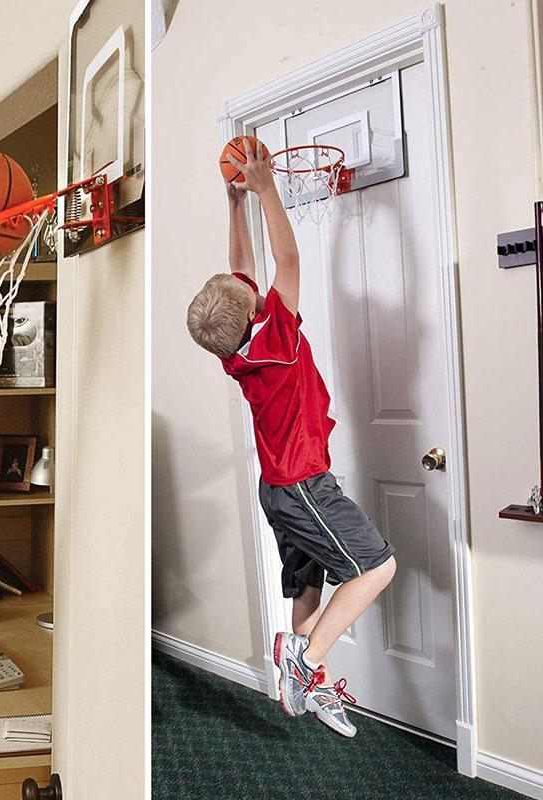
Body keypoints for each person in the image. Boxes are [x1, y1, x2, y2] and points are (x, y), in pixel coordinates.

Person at [186, 138, 397, 738]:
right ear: (255, 308)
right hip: (304, 486)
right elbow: (289, 263)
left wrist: (234, 207)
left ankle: (301, 678)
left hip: (277, 488)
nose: (249, 284)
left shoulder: (237, 349)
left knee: (308, 583)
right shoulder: (275, 340)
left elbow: (245, 270)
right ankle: (306, 659)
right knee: (377, 568)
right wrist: (266, 189)